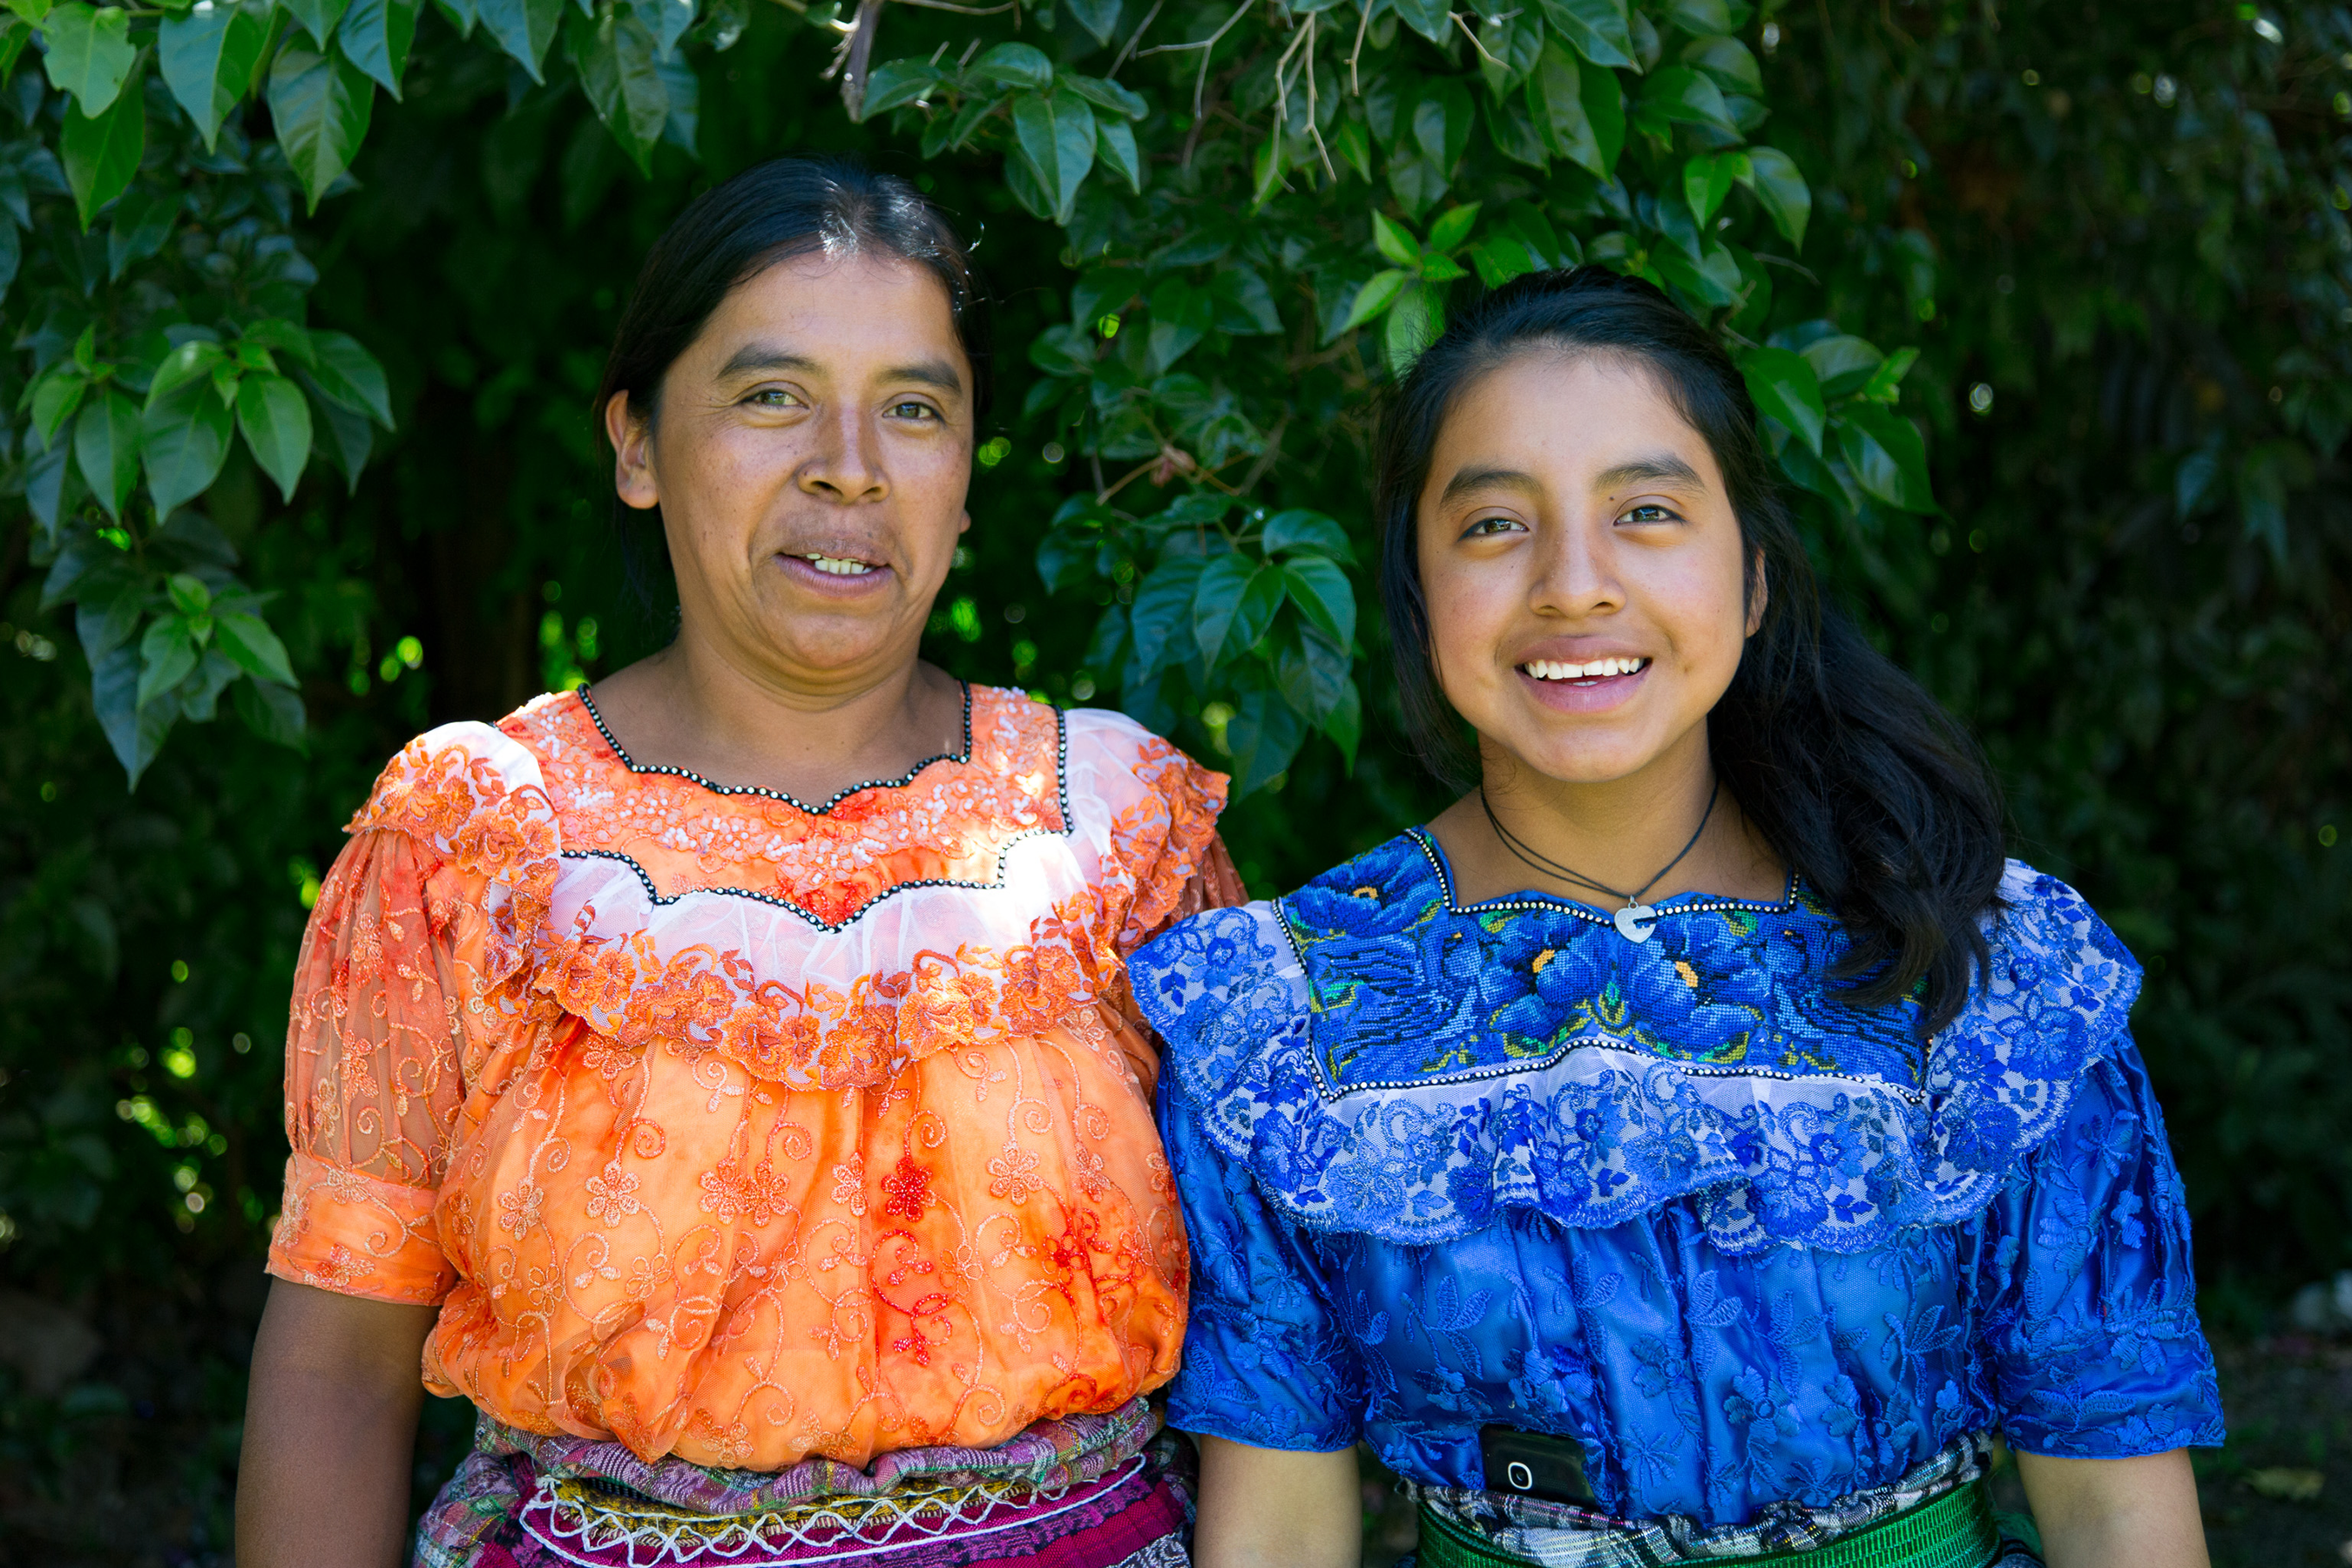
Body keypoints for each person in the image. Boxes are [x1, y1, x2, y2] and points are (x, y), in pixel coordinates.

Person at [1128, 267, 2224, 1568]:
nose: (1576, 584)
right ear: (1419, 602)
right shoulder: (1287, 1016)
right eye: (1494, 526)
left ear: (1753, 580)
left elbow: (2119, 1517)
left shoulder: (1988, 976)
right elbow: (1282, 1532)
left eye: (1646, 511)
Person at [236, 157, 1238, 1568]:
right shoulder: (474, 843)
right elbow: (337, 1365)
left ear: (964, 474)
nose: (849, 463)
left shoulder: (1123, 830)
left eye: (913, 408)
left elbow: (1273, 1356)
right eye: (771, 398)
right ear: (637, 447)